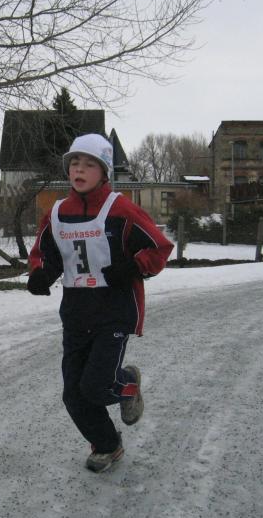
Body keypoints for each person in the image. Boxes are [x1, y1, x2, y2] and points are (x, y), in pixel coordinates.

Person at [26, 133, 174, 473]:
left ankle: (127, 384)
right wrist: (40, 274)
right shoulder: (57, 213)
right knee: (73, 395)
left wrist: (133, 267)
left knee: (95, 386)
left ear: (104, 172)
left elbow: (159, 248)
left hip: (114, 310)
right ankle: (107, 445)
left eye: (89, 164)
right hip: (76, 313)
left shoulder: (120, 209)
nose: (79, 170)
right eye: (74, 163)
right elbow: (46, 254)